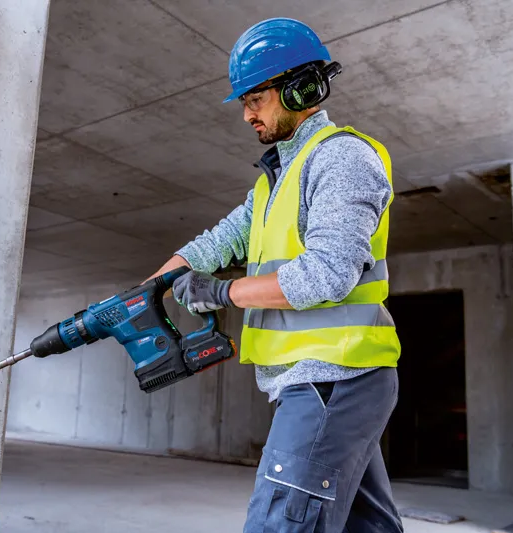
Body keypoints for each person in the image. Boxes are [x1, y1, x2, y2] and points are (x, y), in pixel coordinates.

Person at [147, 17, 405, 533]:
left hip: (335, 375)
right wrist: (144, 292)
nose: (246, 115)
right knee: (368, 528)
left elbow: (327, 273)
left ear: (300, 89)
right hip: (318, 382)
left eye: (255, 99)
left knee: (279, 525)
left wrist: (220, 291)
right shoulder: (272, 183)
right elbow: (214, 243)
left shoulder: (343, 159)